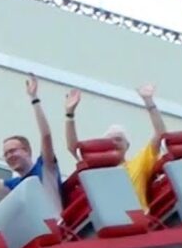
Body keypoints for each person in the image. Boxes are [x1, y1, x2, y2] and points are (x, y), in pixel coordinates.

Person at [0, 73, 64, 214]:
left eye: (13, 151)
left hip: (61, 228)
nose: (9, 156)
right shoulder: (16, 185)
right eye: (6, 154)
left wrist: (34, 98)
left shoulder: (45, 166)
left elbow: (46, 136)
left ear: (27, 151)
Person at [64, 83, 168, 211]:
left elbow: (160, 134)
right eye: (110, 141)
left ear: (127, 146)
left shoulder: (137, 163)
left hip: (140, 222)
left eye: (119, 139)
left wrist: (149, 101)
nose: (114, 143)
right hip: (112, 223)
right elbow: (73, 148)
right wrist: (69, 114)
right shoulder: (98, 171)